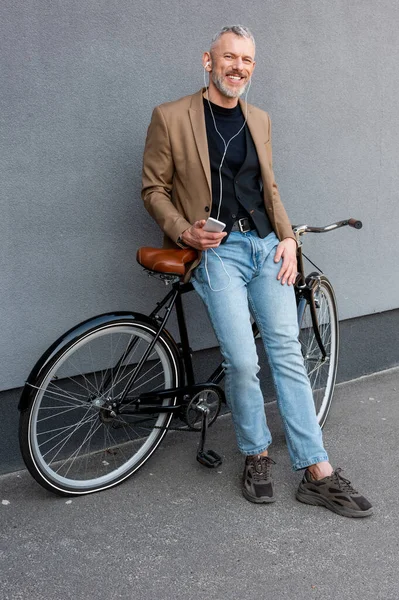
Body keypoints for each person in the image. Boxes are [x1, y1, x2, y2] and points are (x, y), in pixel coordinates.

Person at [141, 25, 372, 518]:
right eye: (229, 58)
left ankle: (317, 470)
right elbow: (153, 189)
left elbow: (270, 188)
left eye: (247, 60)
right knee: (243, 361)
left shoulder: (260, 119)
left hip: (264, 245)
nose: (238, 67)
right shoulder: (171, 116)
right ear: (208, 61)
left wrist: (287, 238)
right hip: (216, 250)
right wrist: (185, 232)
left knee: (286, 348)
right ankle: (256, 454)